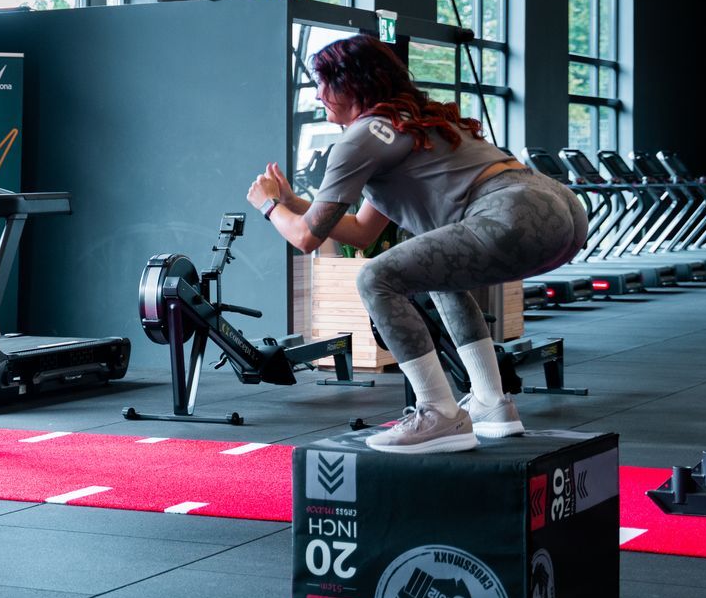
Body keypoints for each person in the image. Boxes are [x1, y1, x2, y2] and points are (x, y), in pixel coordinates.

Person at [247, 35, 587, 453]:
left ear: (353, 84)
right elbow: (361, 230)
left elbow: (306, 237)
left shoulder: (358, 138)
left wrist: (267, 207)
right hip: (558, 208)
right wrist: (291, 200)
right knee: (436, 274)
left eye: (324, 83)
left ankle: (437, 412)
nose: (319, 95)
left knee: (376, 277)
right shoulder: (411, 120)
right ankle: (491, 403)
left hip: (513, 213)